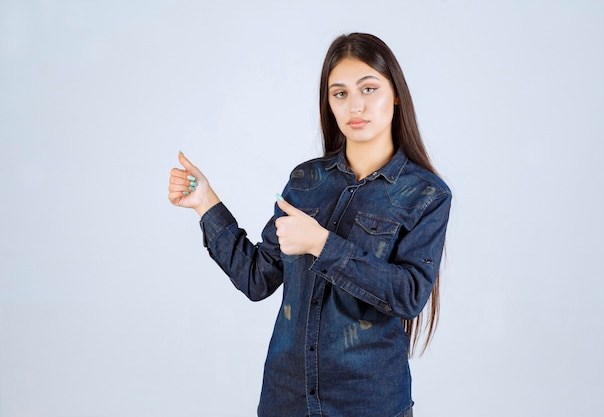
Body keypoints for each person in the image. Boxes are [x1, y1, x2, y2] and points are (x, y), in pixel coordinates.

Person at [168, 33, 451, 417]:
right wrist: (205, 203)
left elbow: (408, 294)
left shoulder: (426, 194)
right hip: (287, 400)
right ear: (329, 103)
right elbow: (256, 278)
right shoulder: (306, 182)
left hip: (368, 403)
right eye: (340, 93)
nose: (356, 105)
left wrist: (322, 243)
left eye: (369, 89)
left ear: (395, 94)